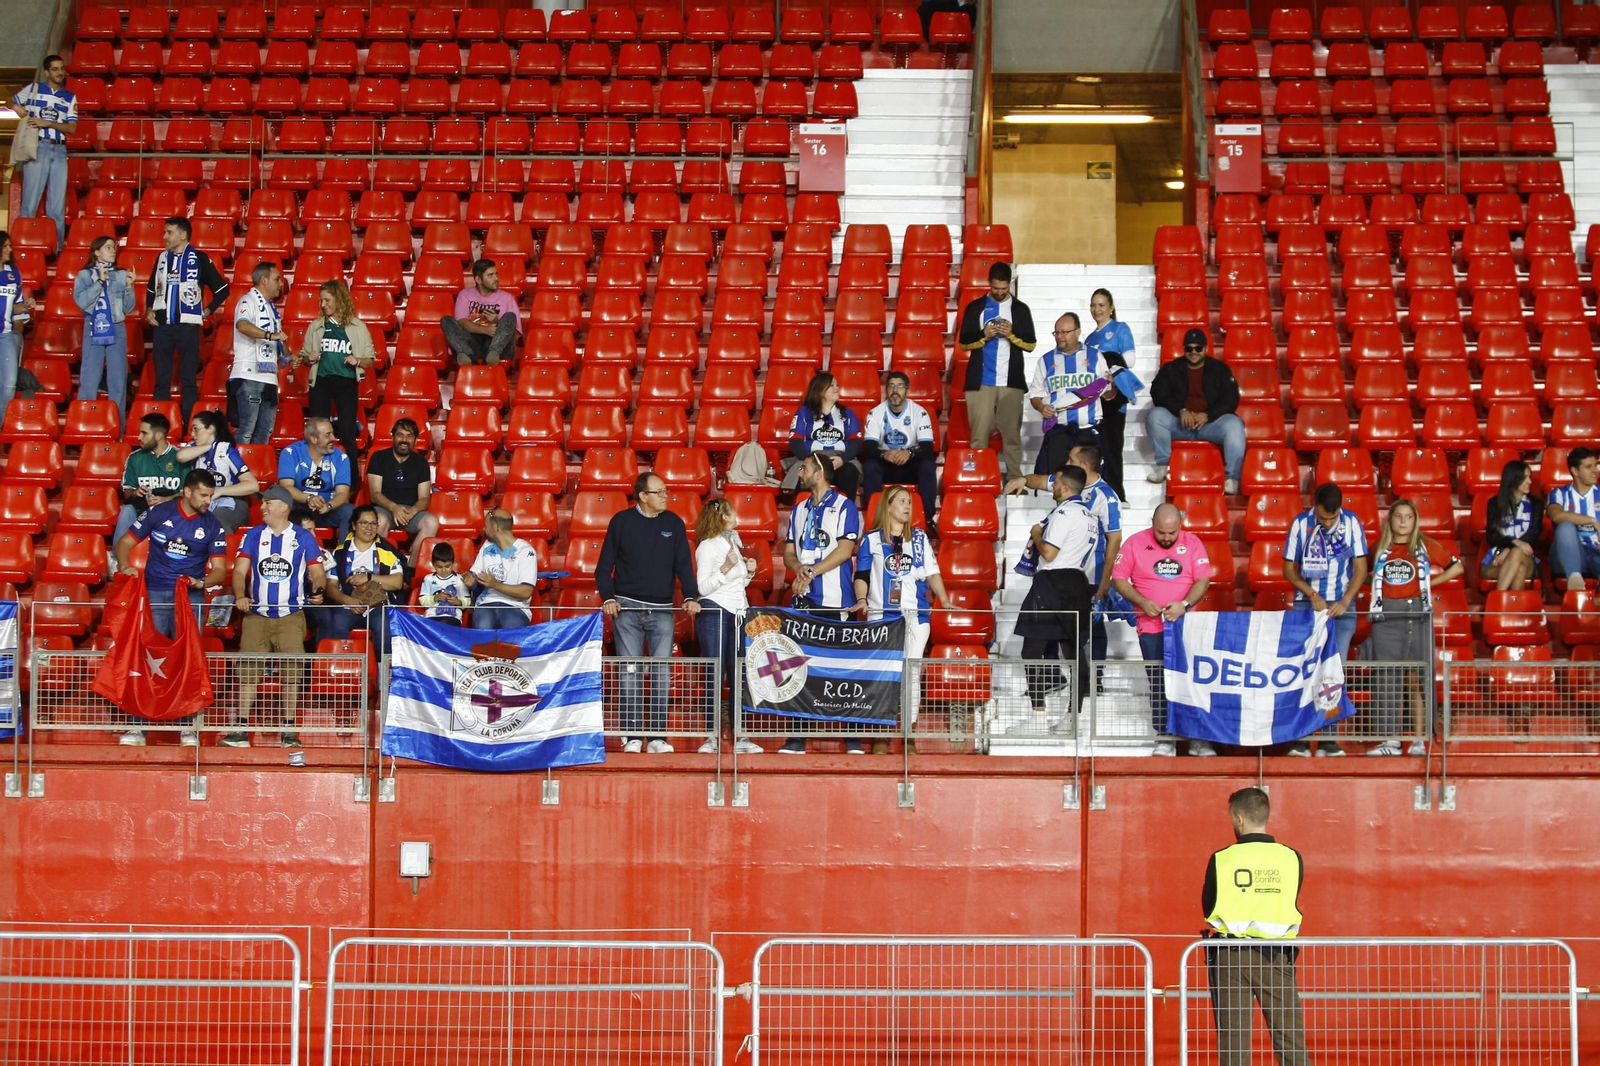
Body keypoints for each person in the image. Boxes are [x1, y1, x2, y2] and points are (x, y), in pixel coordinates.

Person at [113, 469, 228, 747]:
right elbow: (125, 542)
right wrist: (125, 565)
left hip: (190, 599)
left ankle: (187, 726)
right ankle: (137, 727)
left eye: (211, 496)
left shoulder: (213, 525)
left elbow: (221, 570)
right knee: (146, 658)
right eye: (203, 495)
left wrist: (202, 582)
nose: (207, 501)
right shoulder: (159, 513)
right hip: (154, 594)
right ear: (187, 492)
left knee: (188, 660)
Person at [1202, 787, 1309, 1066]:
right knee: (1290, 1038)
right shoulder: (1291, 857)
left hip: (1231, 956)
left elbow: (1209, 907)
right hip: (1276, 957)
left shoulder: (1221, 858)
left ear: (1238, 819)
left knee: (1233, 1040)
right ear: (1266, 816)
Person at [597, 472, 701, 754]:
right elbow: (603, 566)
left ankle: (657, 737)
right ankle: (632, 737)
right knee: (629, 673)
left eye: (666, 490)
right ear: (643, 496)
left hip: (662, 610)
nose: (666, 495)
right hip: (627, 609)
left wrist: (690, 595)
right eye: (660, 491)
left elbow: (684, 564)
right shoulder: (621, 521)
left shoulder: (674, 523)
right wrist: (608, 598)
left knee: (661, 673)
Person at [1109, 502, 1214, 757]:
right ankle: (1164, 736)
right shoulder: (1135, 543)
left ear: (1180, 524)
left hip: (1188, 626)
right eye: (1161, 533)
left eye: (1171, 533)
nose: (1166, 539)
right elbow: (1118, 578)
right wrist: (1142, 602)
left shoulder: (1193, 543)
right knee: (1159, 681)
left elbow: (1203, 579)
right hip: (1151, 626)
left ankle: (1197, 738)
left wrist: (1185, 604)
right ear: (1152, 525)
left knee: (1193, 681)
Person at [1004, 444, 1123, 664]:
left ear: (1085, 465)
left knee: (1091, 626)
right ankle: (1054, 676)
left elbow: (1114, 540)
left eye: (1070, 460)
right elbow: (1040, 480)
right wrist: (1023, 480)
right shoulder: (1068, 481)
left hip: (1089, 573)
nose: (1066, 463)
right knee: (1052, 625)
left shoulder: (1106, 497)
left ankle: (1094, 679)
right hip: (1061, 572)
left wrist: (1106, 581)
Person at [854, 485, 949, 754]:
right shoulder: (871, 540)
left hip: (916, 616)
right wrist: (862, 599)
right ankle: (881, 732)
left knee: (912, 673)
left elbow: (932, 573)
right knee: (885, 675)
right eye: (902, 502)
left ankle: (909, 732)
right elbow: (861, 575)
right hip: (880, 616)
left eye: (910, 502)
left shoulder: (919, 538)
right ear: (888, 507)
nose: (908, 506)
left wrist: (945, 598)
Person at [231, 484, 327, 749]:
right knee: (248, 673)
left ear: (284, 507)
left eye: (268, 503)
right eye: (262, 503)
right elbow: (239, 572)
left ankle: (288, 730)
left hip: (291, 615)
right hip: (256, 614)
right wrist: (240, 595)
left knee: (291, 674)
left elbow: (317, 571)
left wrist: (318, 590)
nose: (262, 507)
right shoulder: (252, 535)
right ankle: (240, 729)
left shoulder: (303, 537)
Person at [782, 453, 863, 754]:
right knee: (800, 667)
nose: (799, 471)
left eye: (803, 467)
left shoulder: (845, 506)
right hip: (804, 599)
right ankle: (797, 735)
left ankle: (851, 735)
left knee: (840, 669)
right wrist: (798, 568)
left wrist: (813, 570)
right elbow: (790, 550)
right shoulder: (799, 509)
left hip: (836, 600)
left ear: (818, 473)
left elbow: (844, 551)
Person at [1367, 500, 1461, 757]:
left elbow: (1457, 567)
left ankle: (1419, 738)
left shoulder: (1424, 545)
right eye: (1398, 516)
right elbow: (1362, 573)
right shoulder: (1379, 548)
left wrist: (1429, 584)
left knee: (1415, 676)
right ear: (1391, 519)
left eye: (1408, 517)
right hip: (1386, 617)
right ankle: (1390, 740)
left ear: (1414, 520)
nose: (1403, 521)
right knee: (1387, 677)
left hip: (1416, 614)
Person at [1282, 483, 1368, 757]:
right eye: (1322, 517)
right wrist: (1310, 593)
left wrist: (1345, 600)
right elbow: (1288, 568)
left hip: (1341, 610)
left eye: (1332, 518)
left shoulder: (1353, 522)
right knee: (1306, 669)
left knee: (1334, 671)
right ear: (1314, 507)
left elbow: (1361, 568)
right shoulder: (1299, 524)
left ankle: (1329, 739)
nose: (1328, 522)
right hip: (1306, 606)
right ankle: (1304, 739)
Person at [1015, 464, 1097, 729]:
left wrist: (1036, 534)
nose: (1051, 486)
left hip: (1052, 581)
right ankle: (1074, 718)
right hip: (1077, 583)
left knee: (1032, 650)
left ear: (1064, 487)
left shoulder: (1063, 512)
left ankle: (1038, 717)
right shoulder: (1090, 515)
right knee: (1075, 654)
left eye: (1055, 482)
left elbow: (1049, 553)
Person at [694, 497, 762, 756]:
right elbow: (703, 587)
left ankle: (740, 735)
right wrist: (725, 568)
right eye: (733, 512)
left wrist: (749, 573)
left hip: (738, 613)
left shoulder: (733, 540)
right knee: (715, 674)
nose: (737, 515)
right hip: (714, 612)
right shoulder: (707, 547)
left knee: (739, 676)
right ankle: (711, 736)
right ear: (723, 516)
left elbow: (737, 584)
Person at [146, 216, 229, 428]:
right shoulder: (161, 258)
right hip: (162, 327)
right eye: (164, 232)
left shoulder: (199, 258)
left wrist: (207, 310)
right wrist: (149, 309)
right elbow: (150, 289)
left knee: (189, 381)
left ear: (183, 235)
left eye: (169, 232)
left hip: (188, 328)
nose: (164, 236)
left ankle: (188, 427)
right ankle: (159, 428)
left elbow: (222, 289)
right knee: (161, 381)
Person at [958, 262, 1037, 481]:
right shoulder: (975, 307)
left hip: (1011, 384)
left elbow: (1030, 345)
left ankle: (1014, 479)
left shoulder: (1020, 309)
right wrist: (984, 334)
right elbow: (964, 344)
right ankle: (979, 480)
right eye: (996, 288)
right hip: (980, 382)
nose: (1000, 292)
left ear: (1010, 284)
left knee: (1011, 437)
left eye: (1004, 288)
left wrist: (1011, 334)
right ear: (989, 283)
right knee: (979, 437)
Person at [1146, 328, 1245, 496]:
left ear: (1205, 349)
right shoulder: (1171, 369)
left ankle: (1232, 479)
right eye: (1189, 348)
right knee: (1155, 416)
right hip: (1180, 424)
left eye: (1198, 348)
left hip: (1210, 425)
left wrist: (1208, 415)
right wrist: (1180, 410)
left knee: (1234, 424)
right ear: (1184, 349)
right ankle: (1163, 466)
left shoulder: (1220, 369)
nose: (1193, 352)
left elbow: (1231, 399)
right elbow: (1158, 392)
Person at [297, 279, 375, 460]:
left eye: (327, 300)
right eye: (321, 301)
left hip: (346, 383)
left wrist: (357, 360)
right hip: (321, 382)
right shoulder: (315, 326)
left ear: (339, 299)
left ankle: (351, 480)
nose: (323, 305)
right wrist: (309, 358)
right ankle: (315, 474)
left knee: (348, 432)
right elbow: (304, 357)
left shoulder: (358, 327)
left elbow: (370, 361)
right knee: (317, 432)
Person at [1027, 312, 1106, 476]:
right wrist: (1041, 407)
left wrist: (1114, 384)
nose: (1059, 336)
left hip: (1088, 431)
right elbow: (1035, 395)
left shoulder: (1095, 356)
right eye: (1056, 332)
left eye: (1064, 332)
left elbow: (1107, 391)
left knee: (1089, 481)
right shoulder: (1046, 360)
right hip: (1059, 431)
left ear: (1077, 332)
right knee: (1058, 481)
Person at [12, 55, 76, 254]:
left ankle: (55, 248)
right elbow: (10, 101)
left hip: (59, 148)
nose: (59, 72)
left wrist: (47, 123)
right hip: (38, 146)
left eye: (61, 68)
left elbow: (72, 127)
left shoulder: (69, 97)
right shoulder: (33, 89)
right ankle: (24, 245)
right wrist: (17, 109)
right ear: (47, 72)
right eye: (55, 69)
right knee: (30, 200)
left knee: (57, 204)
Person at [73, 236, 135, 430]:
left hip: (117, 327)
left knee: (118, 382)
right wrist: (100, 281)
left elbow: (129, 308)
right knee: (89, 381)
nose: (113, 250)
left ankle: (117, 429)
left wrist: (130, 288)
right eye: (108, 247)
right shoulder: (84, 275)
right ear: (96, 251)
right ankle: (84, 426)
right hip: (93, 327)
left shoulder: (121, 274)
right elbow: (81, 302)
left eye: (114, 247)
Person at [861, 370, 937, 527]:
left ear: (907, 391)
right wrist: (884, 454)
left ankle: (927, 519)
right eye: (891, 386)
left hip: (909, 464)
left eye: (900, 386)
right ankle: (875, 520)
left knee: (928, 466)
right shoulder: (876, 413)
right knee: (870, 466)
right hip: (886, 464)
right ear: (886, 390)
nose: (895, 391)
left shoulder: (919, 413)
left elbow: (928, 449)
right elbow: (868, 449)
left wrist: (909, 453)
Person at [322, 505, 406, 647]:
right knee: (337, 621)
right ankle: (345, 666)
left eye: (373, 524)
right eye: (364, 523)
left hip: (378, 606)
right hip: (349, 607)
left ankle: (382, 668)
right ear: (354, 525)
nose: (369, 528)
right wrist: (347, 600)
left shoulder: (387, 552)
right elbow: (330, 587)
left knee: (383, 623)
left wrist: (368, 577)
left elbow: (397, 582)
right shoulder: (340, 553)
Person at [1084, 288, 1137, 500]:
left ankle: (1116, 494)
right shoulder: (1088, 339)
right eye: (1093, 305)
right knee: (1096, 447)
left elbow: (1129, 360)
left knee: (1113, 446)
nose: (1097, 309)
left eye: (1102, 305)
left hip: (1114, 397)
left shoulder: (1120, 329)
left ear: (1111, 307)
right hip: (1096, 398)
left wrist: (1107, 362)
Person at [229, 260, 287, 446]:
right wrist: (270, 335)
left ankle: (256, 472)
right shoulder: (247, 301)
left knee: (264, 433)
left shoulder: (271, 309)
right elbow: (242, 325)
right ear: (264, 280)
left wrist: (289, 356)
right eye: (277, 279)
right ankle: (239, 473)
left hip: (269, 377)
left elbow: (278, 339)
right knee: (246, 429)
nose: (280, 283)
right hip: (249, 374)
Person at [366, 418, 439, 566]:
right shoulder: (378, 458)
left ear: (415, 440)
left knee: (431, 522)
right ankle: (383, 567)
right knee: (379, 521)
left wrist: (412, 511)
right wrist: (394, 508)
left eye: (409, 436)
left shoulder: (421, 463)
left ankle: (410, 569)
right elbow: (375, 493)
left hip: (410, 511)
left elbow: (424, 498)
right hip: (385, 509)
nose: (404, 440)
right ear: (393, 436)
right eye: (400, 435)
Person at [112, 413, 190, 549]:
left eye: (144, 433)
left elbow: (188, 494)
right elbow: (127, 493)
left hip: (172, 511)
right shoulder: (135, 458)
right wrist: (136, 493)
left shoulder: (180, 458)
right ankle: (116, 559)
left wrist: (167, 499)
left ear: (158, 435)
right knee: (126, 511)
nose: (139, 437)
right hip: (142, 509)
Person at [175, 410, 259, 534]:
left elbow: (253, 485)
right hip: (201, 502)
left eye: (196, 429)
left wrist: (220, 491)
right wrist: (210, 446)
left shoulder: (226, 450)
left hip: (230, 502)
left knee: (214, 523)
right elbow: (181, 456)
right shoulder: (194, 447)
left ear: (211, 429)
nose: (192, 434)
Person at [787, 371, 863, 500]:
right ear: (820, 389)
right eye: (832, 385)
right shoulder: (804, 412)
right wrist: (813, 461)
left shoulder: (847, 413)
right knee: (805, 472)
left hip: (840, 459)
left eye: (837, 385)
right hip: (812, 457)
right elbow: (795, 442)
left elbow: (856, 442)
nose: (837, 388)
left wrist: (843, 459)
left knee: (849, 472)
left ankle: (845, 511)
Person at [463, 508, 541, 629]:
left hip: (515, 606)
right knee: (483, 624)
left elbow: (526, 591)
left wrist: (495, 585)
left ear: (495, 527)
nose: (484, 529)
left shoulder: (526, 551)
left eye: (486, 526)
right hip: (487, 604)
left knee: (511, 627)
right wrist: (471, 582)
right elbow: (476, 578)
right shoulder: (487, 547)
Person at [278, 416, 354, 539]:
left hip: (326, 509)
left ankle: (343, 554)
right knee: (280, 502)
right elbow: (286, 487)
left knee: (349, 511)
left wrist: (329, 506)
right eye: (328, 435)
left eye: (333, 434)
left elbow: (343, 493)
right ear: (313, 439)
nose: (333, 438)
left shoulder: (341, 458)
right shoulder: (291, 453)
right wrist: (309, 498)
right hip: (299, 508)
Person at [441, 258, 520, 367]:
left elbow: (515, 334)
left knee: (510, 316)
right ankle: (466, 356)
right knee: (446, 320)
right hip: (474, 345)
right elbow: (462, 322)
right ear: (478, 279)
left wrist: (497, 322)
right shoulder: (465, 295)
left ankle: (493, 354)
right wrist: (484, 330)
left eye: (496, 274)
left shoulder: (507, 298)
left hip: (499, 347)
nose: (496, 278)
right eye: (490, 275)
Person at [1547, 446, 1600, 592]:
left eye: (1596, 465)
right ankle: (1574, 578)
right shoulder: (1559, 493)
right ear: (1575, 471)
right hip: (1565, 556)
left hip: (1596, 553)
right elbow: (1556, 515)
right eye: (1589, 467)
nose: (1595, 470)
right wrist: (1592, 520)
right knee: (1565, 527)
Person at [1483, 459, 1541, 592]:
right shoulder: (1494, 503)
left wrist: (1509, 549)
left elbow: (1534, 536)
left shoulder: (1536, 504)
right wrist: (1514, 541)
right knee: (1518, 571)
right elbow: (1491, 536)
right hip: (1496, 559)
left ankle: (1496, 602)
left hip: (1527, 558)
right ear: (1513, 479)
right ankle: (1513, 612)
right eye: (1525, 478)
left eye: (1530, 477)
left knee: (1517, 552)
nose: (1530, 482)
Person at [0, 231, 37, 416]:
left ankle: (1, 425)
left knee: (8, 383)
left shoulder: (13, 274)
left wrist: (25, 305)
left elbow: (14, 307)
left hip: (5, 334)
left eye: (9, 245)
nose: (9, 249)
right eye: (5, 246)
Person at [420, 541, 470, 625]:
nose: (443, 571)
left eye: (447, 566)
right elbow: (422, 600)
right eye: (439, 567)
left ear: (453, 562)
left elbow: (467, 601)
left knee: (445, 624)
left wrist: (458, 602)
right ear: (433, 563)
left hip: (452, 617)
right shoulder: (428, 579)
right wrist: (435, 598)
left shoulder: (459, 579)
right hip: (432, 616)